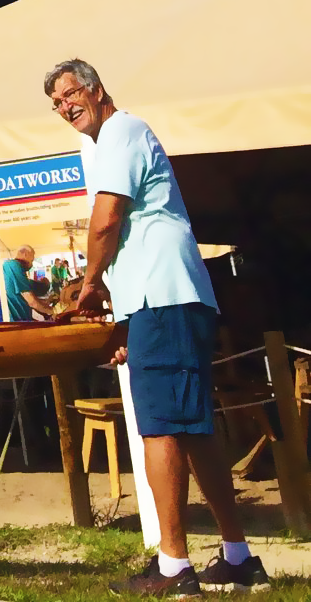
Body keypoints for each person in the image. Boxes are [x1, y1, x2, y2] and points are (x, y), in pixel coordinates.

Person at [45, 59, 268, 595]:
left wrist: (90, 283)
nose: (65, 107)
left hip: (162, 300)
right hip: (171, 297)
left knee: (161, 429)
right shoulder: (114, 139)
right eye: (55, 103)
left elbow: (107, 219)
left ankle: (174, 568)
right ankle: (238, 557)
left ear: (97, 89)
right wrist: (122, 317)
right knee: (194, 429)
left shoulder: (121, 130)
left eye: (71, 94)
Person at [2, 244, 53, 322]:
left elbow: (26, 299)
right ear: (25, 254)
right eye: (32, 260)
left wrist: (44, 306)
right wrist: (53, 311)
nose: (31, 264)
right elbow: (32, 302)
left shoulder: (12, 267)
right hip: (17, 323)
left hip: (22, 320)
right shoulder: (14, 265)